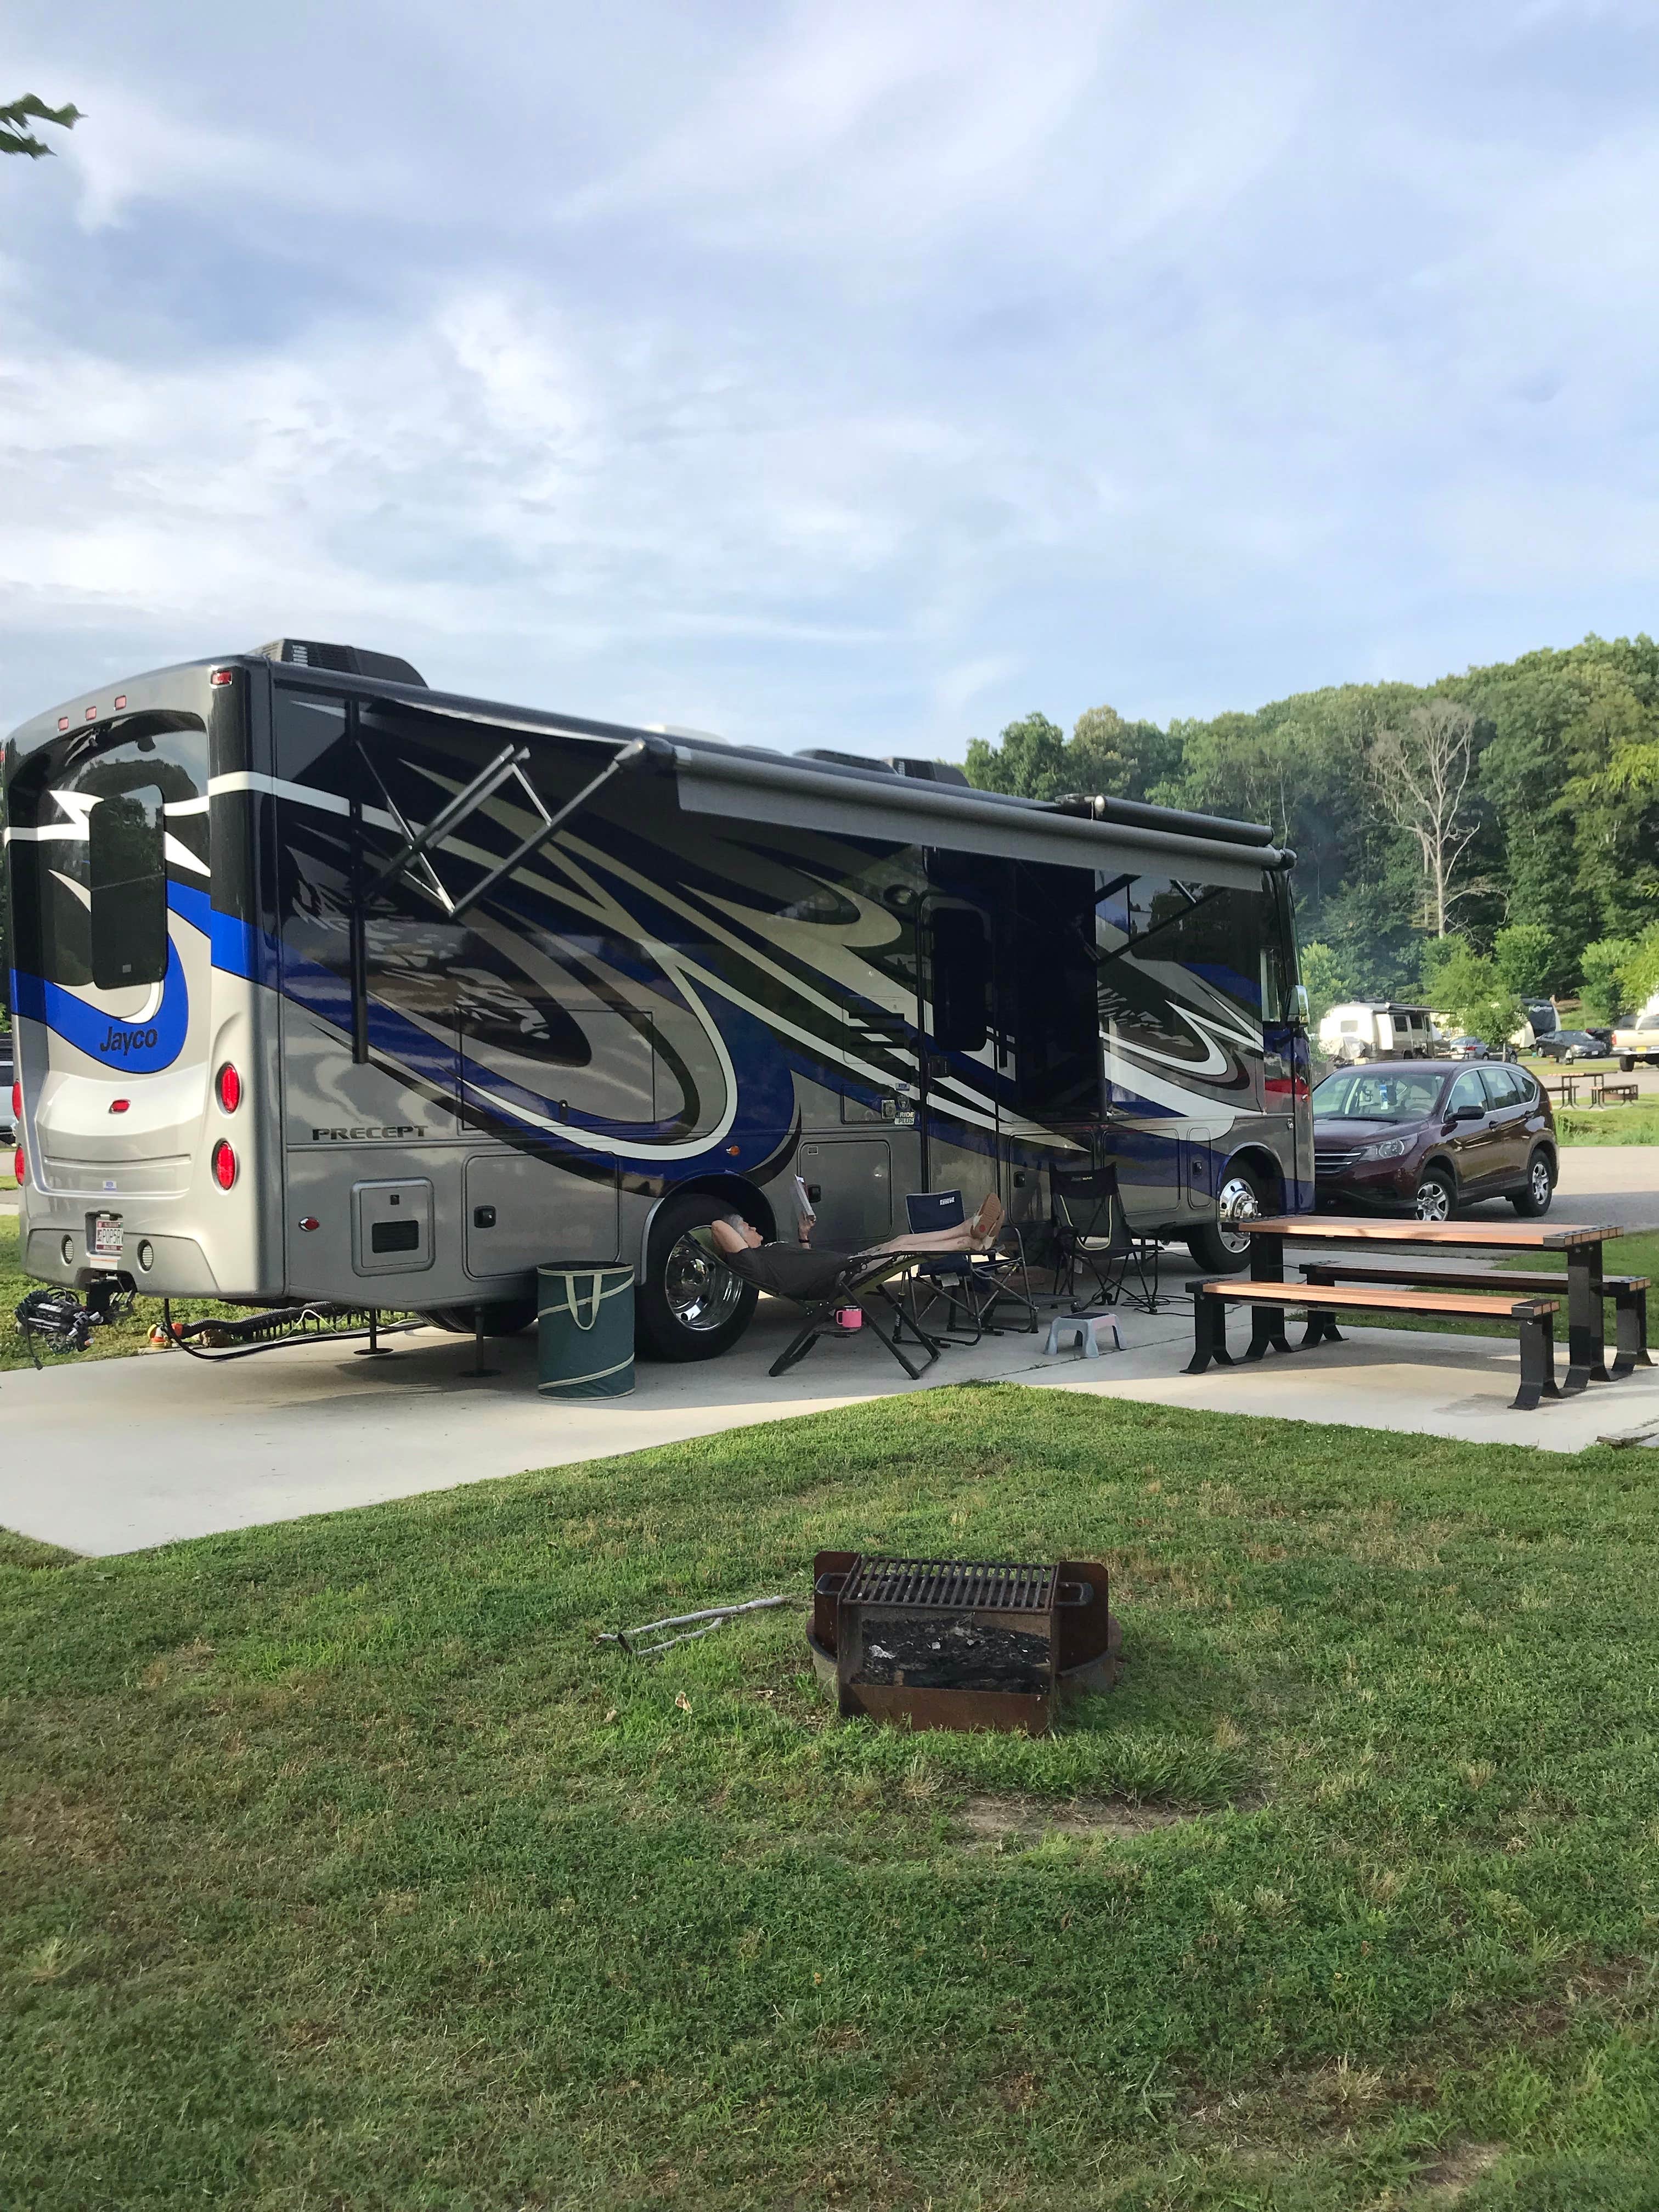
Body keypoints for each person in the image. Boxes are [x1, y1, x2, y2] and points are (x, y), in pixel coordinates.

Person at [707, 1194, 1005, 1302]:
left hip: (844, 1267)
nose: (755, 1229)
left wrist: (803, 1235)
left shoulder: (767, 1252)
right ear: (740, 1241)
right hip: (840, 1280)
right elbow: (716, 1227)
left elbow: (804, 1266)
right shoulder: (750, 1263)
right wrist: (736, 1235)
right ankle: (969, 1237)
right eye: (748, 1228)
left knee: (900, 1242)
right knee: (903, 1248)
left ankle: (969, 1234)